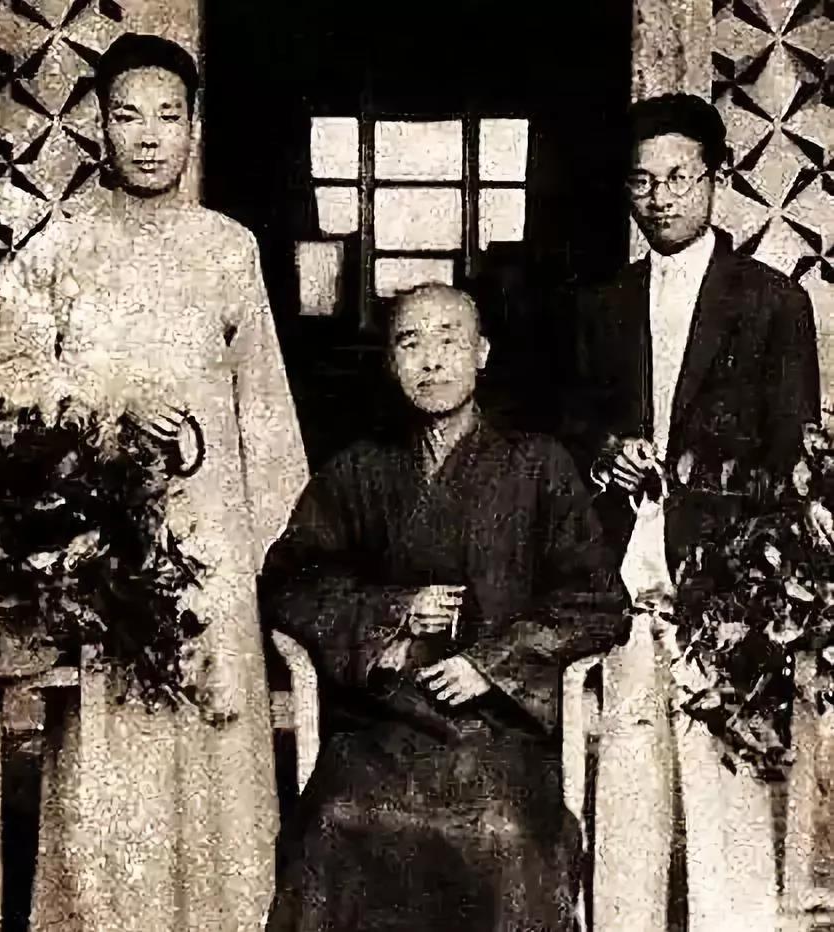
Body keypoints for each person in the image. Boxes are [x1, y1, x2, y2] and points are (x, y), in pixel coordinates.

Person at [0, 33, 308, 932]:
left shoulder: (228, 248)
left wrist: (276, 561)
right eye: (129, 116)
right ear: (100, 126)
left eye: (170, 116)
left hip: (212, 540)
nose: (150, 136)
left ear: (195, 126)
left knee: (215, 744)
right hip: (102, 549)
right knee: (112, 755)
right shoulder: (62, 248)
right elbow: (0, 371)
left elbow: (265, 410)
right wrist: (108, 403)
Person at [260, 283, 627, 932]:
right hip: (382, 729)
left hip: (501, 732)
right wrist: (392, 612)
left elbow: (597, 599)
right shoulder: (358, 471)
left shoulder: (539, 466)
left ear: (481, 353)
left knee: (505, 833)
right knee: (332, 824)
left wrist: (492, 662)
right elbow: (291, 583)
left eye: (449, 340)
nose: (431, 360)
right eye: (411, 343)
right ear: (390, 362)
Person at [567, 94, 821, 931]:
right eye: (642, 181)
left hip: (730, 585)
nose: (661, 197)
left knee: (725, 789)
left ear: (718, 179)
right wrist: (606, 454)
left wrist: (749, 572)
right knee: (628, 778)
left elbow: (790, 458)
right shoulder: (602, 304)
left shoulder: (774, 302)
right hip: (627, 568)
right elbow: (571, 425)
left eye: (680, 177)